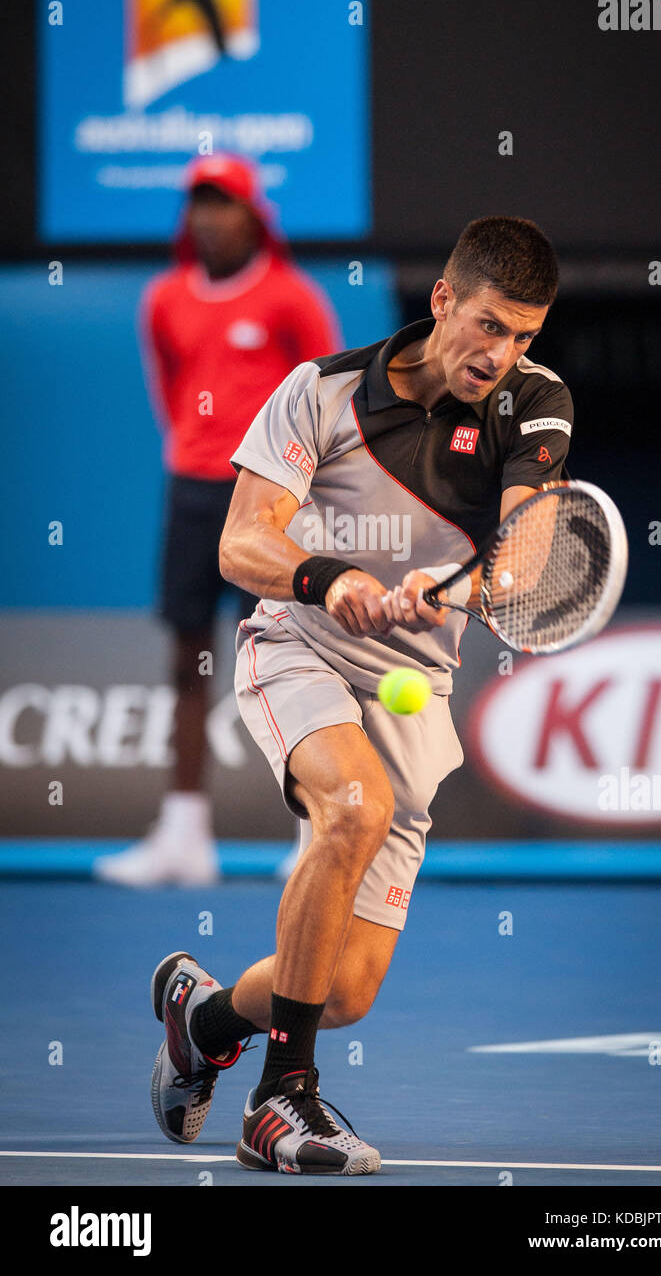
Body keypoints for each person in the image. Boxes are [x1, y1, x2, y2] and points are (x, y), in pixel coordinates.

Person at [150, 216, 574, 1173]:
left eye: (523, 337)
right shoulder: (322, 391)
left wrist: (456, 587)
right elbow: (241, 543)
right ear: (442, 301)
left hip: (412, 682)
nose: (501, 354)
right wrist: (325, 576)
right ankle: (280, 1102)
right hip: (296, 648)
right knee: (353, 804)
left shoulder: (533, 407)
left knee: (341, 991)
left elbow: (522, 572)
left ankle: (204, 1020)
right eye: (489, 327)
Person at [95, 154, 341, 887]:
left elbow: (323, 402)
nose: (207, 216)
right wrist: (200, 455)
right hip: (193, 496)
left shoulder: (292, 298)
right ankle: (183, 836)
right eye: (197, 202)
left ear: (252, 215)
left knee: (289, 666)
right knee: (186, 659)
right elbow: (171, 398)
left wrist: (295, 491)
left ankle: (310, 838)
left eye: (223, 202)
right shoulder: (163, 299)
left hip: (271, 504)